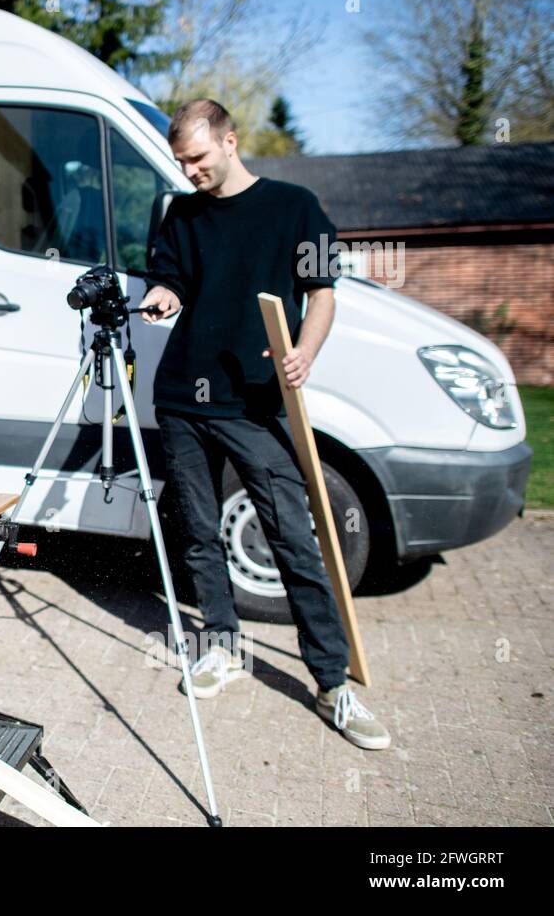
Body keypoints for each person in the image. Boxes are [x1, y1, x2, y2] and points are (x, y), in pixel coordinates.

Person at [139, 100, 390, 751]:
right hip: (183, 400)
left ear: (230, 141)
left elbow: (323, 292)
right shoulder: (182, 213)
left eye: (198, 158)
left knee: (292, 540)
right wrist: (163, 295)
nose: (189, 171)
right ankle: (220, 646)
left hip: (254, 403)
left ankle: (332, 683)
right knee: (199, 532)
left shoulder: (295, 207)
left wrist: (305, 351)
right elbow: (170, 278)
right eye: (181, 161)